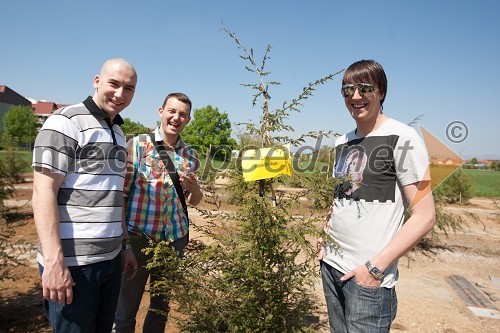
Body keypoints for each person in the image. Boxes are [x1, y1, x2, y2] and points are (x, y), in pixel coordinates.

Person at [318, 59, 436, 333]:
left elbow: (425, 216)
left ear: (381, 91)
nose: (355, 97)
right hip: (331, 267)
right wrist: (324, 236)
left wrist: (374, 269)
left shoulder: (402, 138)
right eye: (347, 90)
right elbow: (342, 198)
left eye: (364, 89)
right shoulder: (342, 142)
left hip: (367, 280)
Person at [31, 58, 138, 333]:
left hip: (111, 261)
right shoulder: (64, 121)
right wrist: (55, 262)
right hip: (75, 265)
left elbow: (113, 197)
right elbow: (42, 191)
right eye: (114, 84)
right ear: (97, 81)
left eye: (129, 88)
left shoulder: (116, 130)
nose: (120, 93)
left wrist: (124, 246)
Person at [113, 92, 203, 333]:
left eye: (182, 114)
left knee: (159, 310)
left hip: (174, 240)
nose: (176, 118)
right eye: (172, 111)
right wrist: (125, 244)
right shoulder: (138, 145)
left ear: (188, 120)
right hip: (138, 238)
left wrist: (195, 189)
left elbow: (195, 201)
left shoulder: (190, 155)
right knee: (125, 310)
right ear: (160, 111)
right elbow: (121, 195)